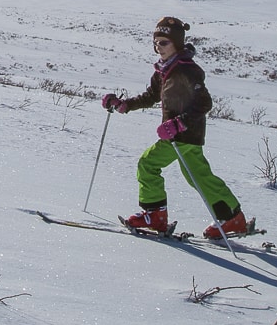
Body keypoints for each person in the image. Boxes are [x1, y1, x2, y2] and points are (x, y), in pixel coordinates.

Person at [101, 16, 251, 239]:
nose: (158, 47)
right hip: (186, 136)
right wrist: (124, 105)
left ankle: (154, 215)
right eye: (156, 42)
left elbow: (204, 102)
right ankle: (233, 218)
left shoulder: (187, 69)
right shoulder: (164, 70)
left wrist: (178, 123)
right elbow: (151, 96)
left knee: (148, 164)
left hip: (182, 134)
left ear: (177, 43)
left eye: (164, 42)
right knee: (198, 177)